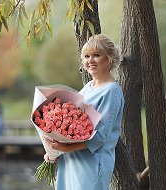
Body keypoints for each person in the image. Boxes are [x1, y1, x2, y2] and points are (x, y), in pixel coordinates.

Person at [44, 34, 124, 190]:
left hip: (91, 163)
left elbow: (100, 137)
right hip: (70, 160)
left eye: (96, 55)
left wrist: (65, 148)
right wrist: (54, 150)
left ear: (109, 58)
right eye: (86, 56)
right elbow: (70, 122)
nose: (90, 60)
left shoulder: (111, 92)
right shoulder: (88, 87)